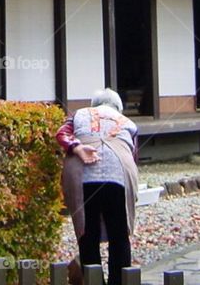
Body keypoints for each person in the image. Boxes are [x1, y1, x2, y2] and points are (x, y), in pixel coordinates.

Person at [56, 88, 138, 285]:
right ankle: (119, 281)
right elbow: (134, 156)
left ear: (95, 104)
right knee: (119, 235)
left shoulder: (80, 114)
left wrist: (76, 147)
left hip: (85, 179)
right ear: (118, 107)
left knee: (88, 234)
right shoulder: (129, 123)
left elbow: (61, 134)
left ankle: (94, 281)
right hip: (118, 178)